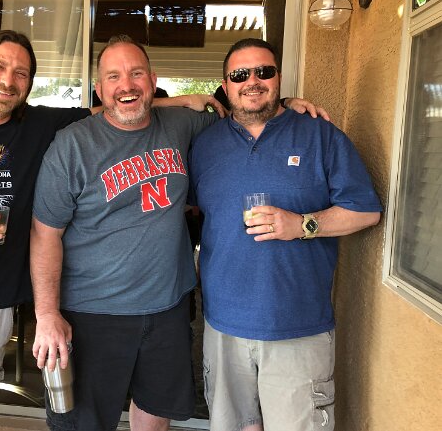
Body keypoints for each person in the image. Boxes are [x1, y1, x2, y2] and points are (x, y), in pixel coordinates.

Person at [0, 29, 226, 431]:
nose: (8, 80)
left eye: (21, 73)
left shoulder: (38, 126)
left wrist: (180, 100)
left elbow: (117, 106)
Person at [29, 35, 328, 431]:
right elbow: (44, 234)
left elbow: (245, 110)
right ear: (99, 89)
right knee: (84, 422)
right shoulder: (72, 145)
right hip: (93, 312)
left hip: (168, 308)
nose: (126, 84)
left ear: (153, 81)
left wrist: (284, 104)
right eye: (114, 76)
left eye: (137, 74)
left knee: (155, 414)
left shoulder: (183, 123)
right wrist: (47, 314)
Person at [188, 38, 382, 431]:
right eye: (240, 74)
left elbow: (366, 211)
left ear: (278, 78)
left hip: (298, 326)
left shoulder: (320, 136)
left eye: (264, 71)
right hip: (223, 326)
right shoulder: (205, 145)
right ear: (225, 85)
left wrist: (302, 225)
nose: (252, 81)